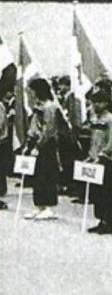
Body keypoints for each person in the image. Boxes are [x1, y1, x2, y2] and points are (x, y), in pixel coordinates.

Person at [84, 89, 112, 235]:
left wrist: (102, 156)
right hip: (95, 159)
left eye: (98, 102)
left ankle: (109, 222)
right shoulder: (94, 118)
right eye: (93, 102)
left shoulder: (111, 119)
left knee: (108, 193)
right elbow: (94, 140)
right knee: (96, 193)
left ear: (106, 103)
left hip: (109, 161)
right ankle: (100, 220)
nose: (95, 105)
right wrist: (91, 156)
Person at [22, 79, 61, 221]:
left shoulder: (50, 107)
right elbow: (34, 125)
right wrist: (28, 143)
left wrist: (39, 145)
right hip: (35, 142)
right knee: (37, 175)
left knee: (47, 174)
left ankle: (49, 206)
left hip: (46, 145)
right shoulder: (38, 106)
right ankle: (39, 205)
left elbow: (49, 129)